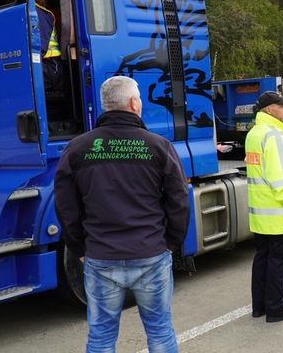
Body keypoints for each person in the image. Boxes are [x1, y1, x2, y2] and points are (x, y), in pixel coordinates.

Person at [54, 76, 189, 352]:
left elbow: (65, 206)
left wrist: (79, 247)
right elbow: (179, 201)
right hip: (150, 253)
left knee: (101, 336)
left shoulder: (77, 148)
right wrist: (170, 244)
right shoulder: (158, 146)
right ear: (133, 103)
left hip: (101, 256)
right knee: (160, 332)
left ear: (106, 106)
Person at [245, 91, 283, 323]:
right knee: (280, 261)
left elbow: (264, 169)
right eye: (281, 107)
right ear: (269, 109)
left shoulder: (255, 133)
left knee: (263, 257)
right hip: (279, 212)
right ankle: (276, 307)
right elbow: (279, 179)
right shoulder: (274, 136)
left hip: (261, 212)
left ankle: (259, 305)